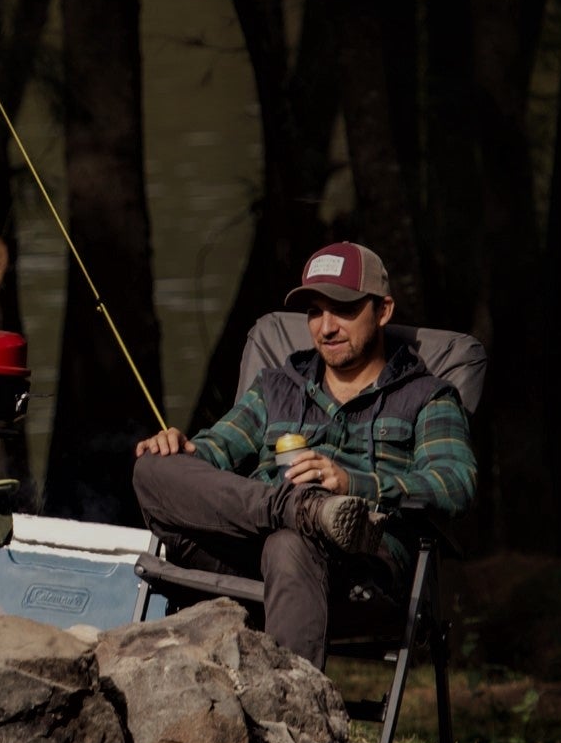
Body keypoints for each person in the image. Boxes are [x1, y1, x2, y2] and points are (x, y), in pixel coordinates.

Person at [131, 241, 476, 670]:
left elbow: (455, 482)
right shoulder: (278, 386)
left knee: (289, 544)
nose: (326, 327)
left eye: (343, 309)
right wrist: (181, 449)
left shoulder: (426, 397)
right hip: (245, 548)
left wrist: (354, 485)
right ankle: (299, 507)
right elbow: (215, 449)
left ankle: (290, 726)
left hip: (356, 574)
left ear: (383, 310)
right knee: (152, 470)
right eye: (315, 311)